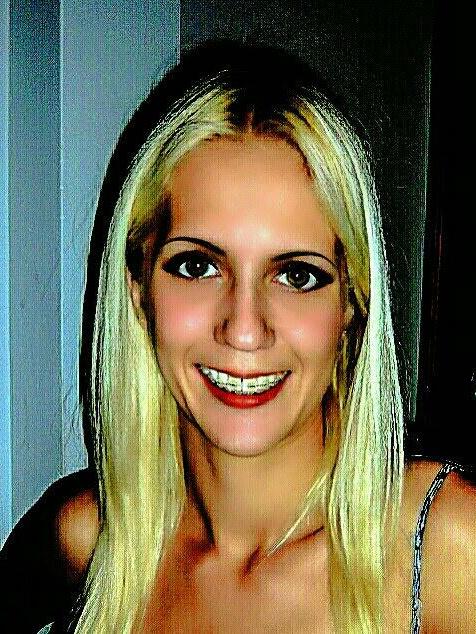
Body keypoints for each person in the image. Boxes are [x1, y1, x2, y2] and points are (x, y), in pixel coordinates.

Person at [1, 42, 475, 633]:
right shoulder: (91, 541)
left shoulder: (447, 552)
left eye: (297, 275)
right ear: (138, 289)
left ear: (352, 305)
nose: (244, 329)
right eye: (197, 265)